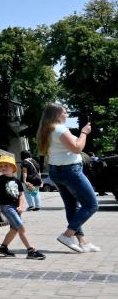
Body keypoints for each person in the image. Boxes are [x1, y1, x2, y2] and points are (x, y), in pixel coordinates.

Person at [36, 103, 100, 253]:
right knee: (91, 205)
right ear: (57, 114)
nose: (67, 115)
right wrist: (84, 132)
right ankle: (67, 235)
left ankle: (83, 241)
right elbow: (77, 148)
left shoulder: (46, 130)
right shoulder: (60, 129)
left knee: (72, 207)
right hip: (71, 171)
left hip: (56, 171)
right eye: (64, 112)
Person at [0, 153, 45, 259]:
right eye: (1, 166)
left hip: (16, 208)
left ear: (13, 167)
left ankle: (3, 247)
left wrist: (21, 206)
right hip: (7, 207)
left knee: (14, 229)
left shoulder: (17, 181)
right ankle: (31, 251)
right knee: (21, 227)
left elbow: (21, 195)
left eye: (6, 165)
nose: (3, 168)